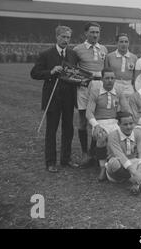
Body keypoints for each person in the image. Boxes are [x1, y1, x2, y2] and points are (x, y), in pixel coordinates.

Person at [30, 26, 79, 173]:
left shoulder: (72, 54)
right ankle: (50, 162)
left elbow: (75, 72)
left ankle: (66, 159)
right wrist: (50, 72)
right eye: (63, 37)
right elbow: (34, 73)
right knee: (51, 130)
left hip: (69, 97)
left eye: (68, 37)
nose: (65, 40)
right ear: (56, 37)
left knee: (68, 129)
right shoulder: (46, 54)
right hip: (53, 97)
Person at [73, 22, 109, 168]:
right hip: (83, 88)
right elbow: (72, 71)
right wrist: (79, 81)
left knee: (97, 119)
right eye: (92, 32)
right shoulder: (77, 50)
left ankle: (94, 152)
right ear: (86, 33)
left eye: (97, 32)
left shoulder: (104, 49)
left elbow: (106, 69)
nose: (95, 35)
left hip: (99, 87)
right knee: (83, 120)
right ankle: (84, 153)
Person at [86, 68, 130, 181]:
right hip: (99, 122)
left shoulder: (118, 91)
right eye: (107, 78)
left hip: (114, 122)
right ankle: (102, 168)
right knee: (101, 137)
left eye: (112, 78)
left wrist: (126, 122)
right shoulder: (95, 91)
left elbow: (125, 108)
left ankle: (119, 164)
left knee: (122, 135)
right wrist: (95, 125)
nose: (110, 80)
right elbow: (89, 112)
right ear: (102, 79)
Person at [105, 112, 141, 195]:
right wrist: (135, 173)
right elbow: (121, 157)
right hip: (119, 167)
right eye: (125, 124)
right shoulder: (113, 136)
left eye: (131, 123)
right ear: (119, 124)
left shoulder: (138, 132)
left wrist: (139, 172)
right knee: (113, 162)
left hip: (135, 165)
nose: (129, 127)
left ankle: (138, 183)